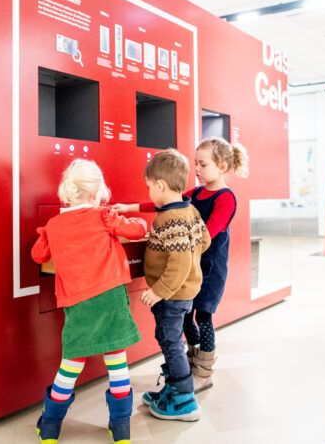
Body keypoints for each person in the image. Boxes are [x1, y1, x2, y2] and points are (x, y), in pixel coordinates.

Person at [114, 137, 249, 392]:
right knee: (187, 316)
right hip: (189, 267)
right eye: (196, 163)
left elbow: (206, 236)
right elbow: (165, 201)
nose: (196, 169)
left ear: (221, 166)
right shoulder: (196, 193)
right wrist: (129, 207)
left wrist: (178, 244)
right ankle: (188, 363)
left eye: (203, 164)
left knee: (204, 316)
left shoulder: (225, 198)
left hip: (208, 269)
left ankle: (204, 371)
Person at [31, 159, 147, 444]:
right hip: (111, 298)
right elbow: (138, 230)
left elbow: (38, 256)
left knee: (71, 362)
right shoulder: (103, 216)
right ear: (97, 193)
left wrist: (46, 234)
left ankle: (49, 425)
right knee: (117, 360)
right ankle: (120, 427)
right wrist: (128, 219)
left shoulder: (55, 224)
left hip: (79, 302)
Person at [137, 148, 210, 421]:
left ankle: (183, 400)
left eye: (148, 187)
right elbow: (204, 241)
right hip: (184, 291)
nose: (148, 193)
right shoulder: (189, 209)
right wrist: (191, 259)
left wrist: (158, 291)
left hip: (172, 295)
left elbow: (178, 263)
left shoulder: (170, 219)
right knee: (169, 340)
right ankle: (173, 390)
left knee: (170, 342)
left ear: (160, 185)